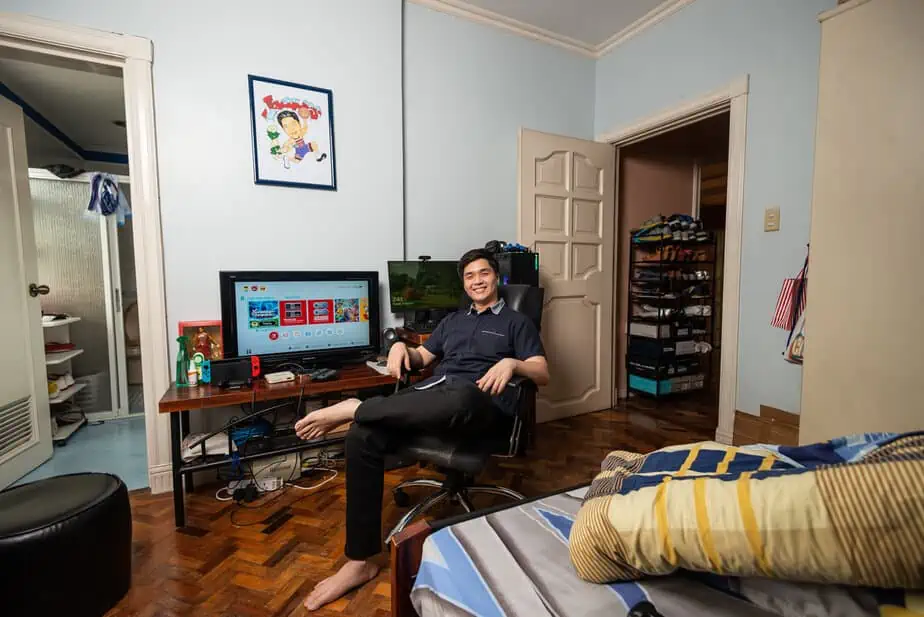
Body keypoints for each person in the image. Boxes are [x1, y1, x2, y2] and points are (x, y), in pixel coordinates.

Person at [294, 248, 549, 611]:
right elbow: (421, 360)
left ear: (497, 278)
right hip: (435, 401)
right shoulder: (452, 321)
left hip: (480, 407)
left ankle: (358, 408)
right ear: (464, 283)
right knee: (361, 436)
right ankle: (360, 561)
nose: (477, 281)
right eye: (469, 276)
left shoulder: (515, 322)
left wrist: (512, 363)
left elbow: (543, 372)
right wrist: (401, 347)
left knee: (461, 395)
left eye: (484, 273)